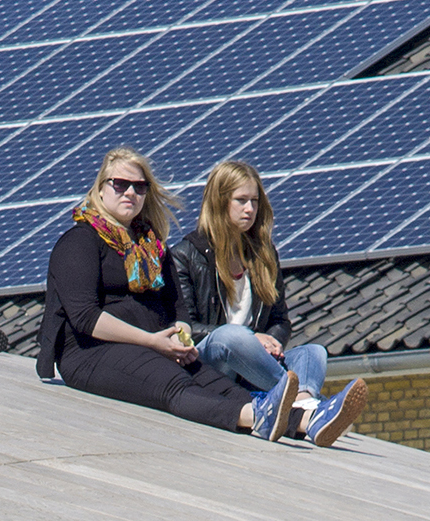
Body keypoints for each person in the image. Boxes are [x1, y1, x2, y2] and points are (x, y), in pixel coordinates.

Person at [36, 148, 261, 432]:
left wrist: (181, 338)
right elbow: (85, 317)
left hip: (156, 347)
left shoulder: (153, 248)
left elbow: (177, 309)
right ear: (101, 190)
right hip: (91, 352)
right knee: (173, 385)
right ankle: (258, 419)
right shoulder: (79, 241)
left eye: (139, 187)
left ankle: (302, 420)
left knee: (223, 386)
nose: (130, 192)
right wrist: (151, 341)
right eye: (120, 184)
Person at [178, 161, 356, 445]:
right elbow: (185, 326)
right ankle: (308, 407)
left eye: (255, 201)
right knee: (232, 336)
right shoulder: (187, 255)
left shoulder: (263, 254)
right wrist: (252, 338)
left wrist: (271, 340)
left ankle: (302, 402)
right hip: (212, 361)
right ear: (219, 201)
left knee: (313, 353)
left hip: (253, 366)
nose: (249, 209)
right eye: (241, 201)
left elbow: (280, 320)